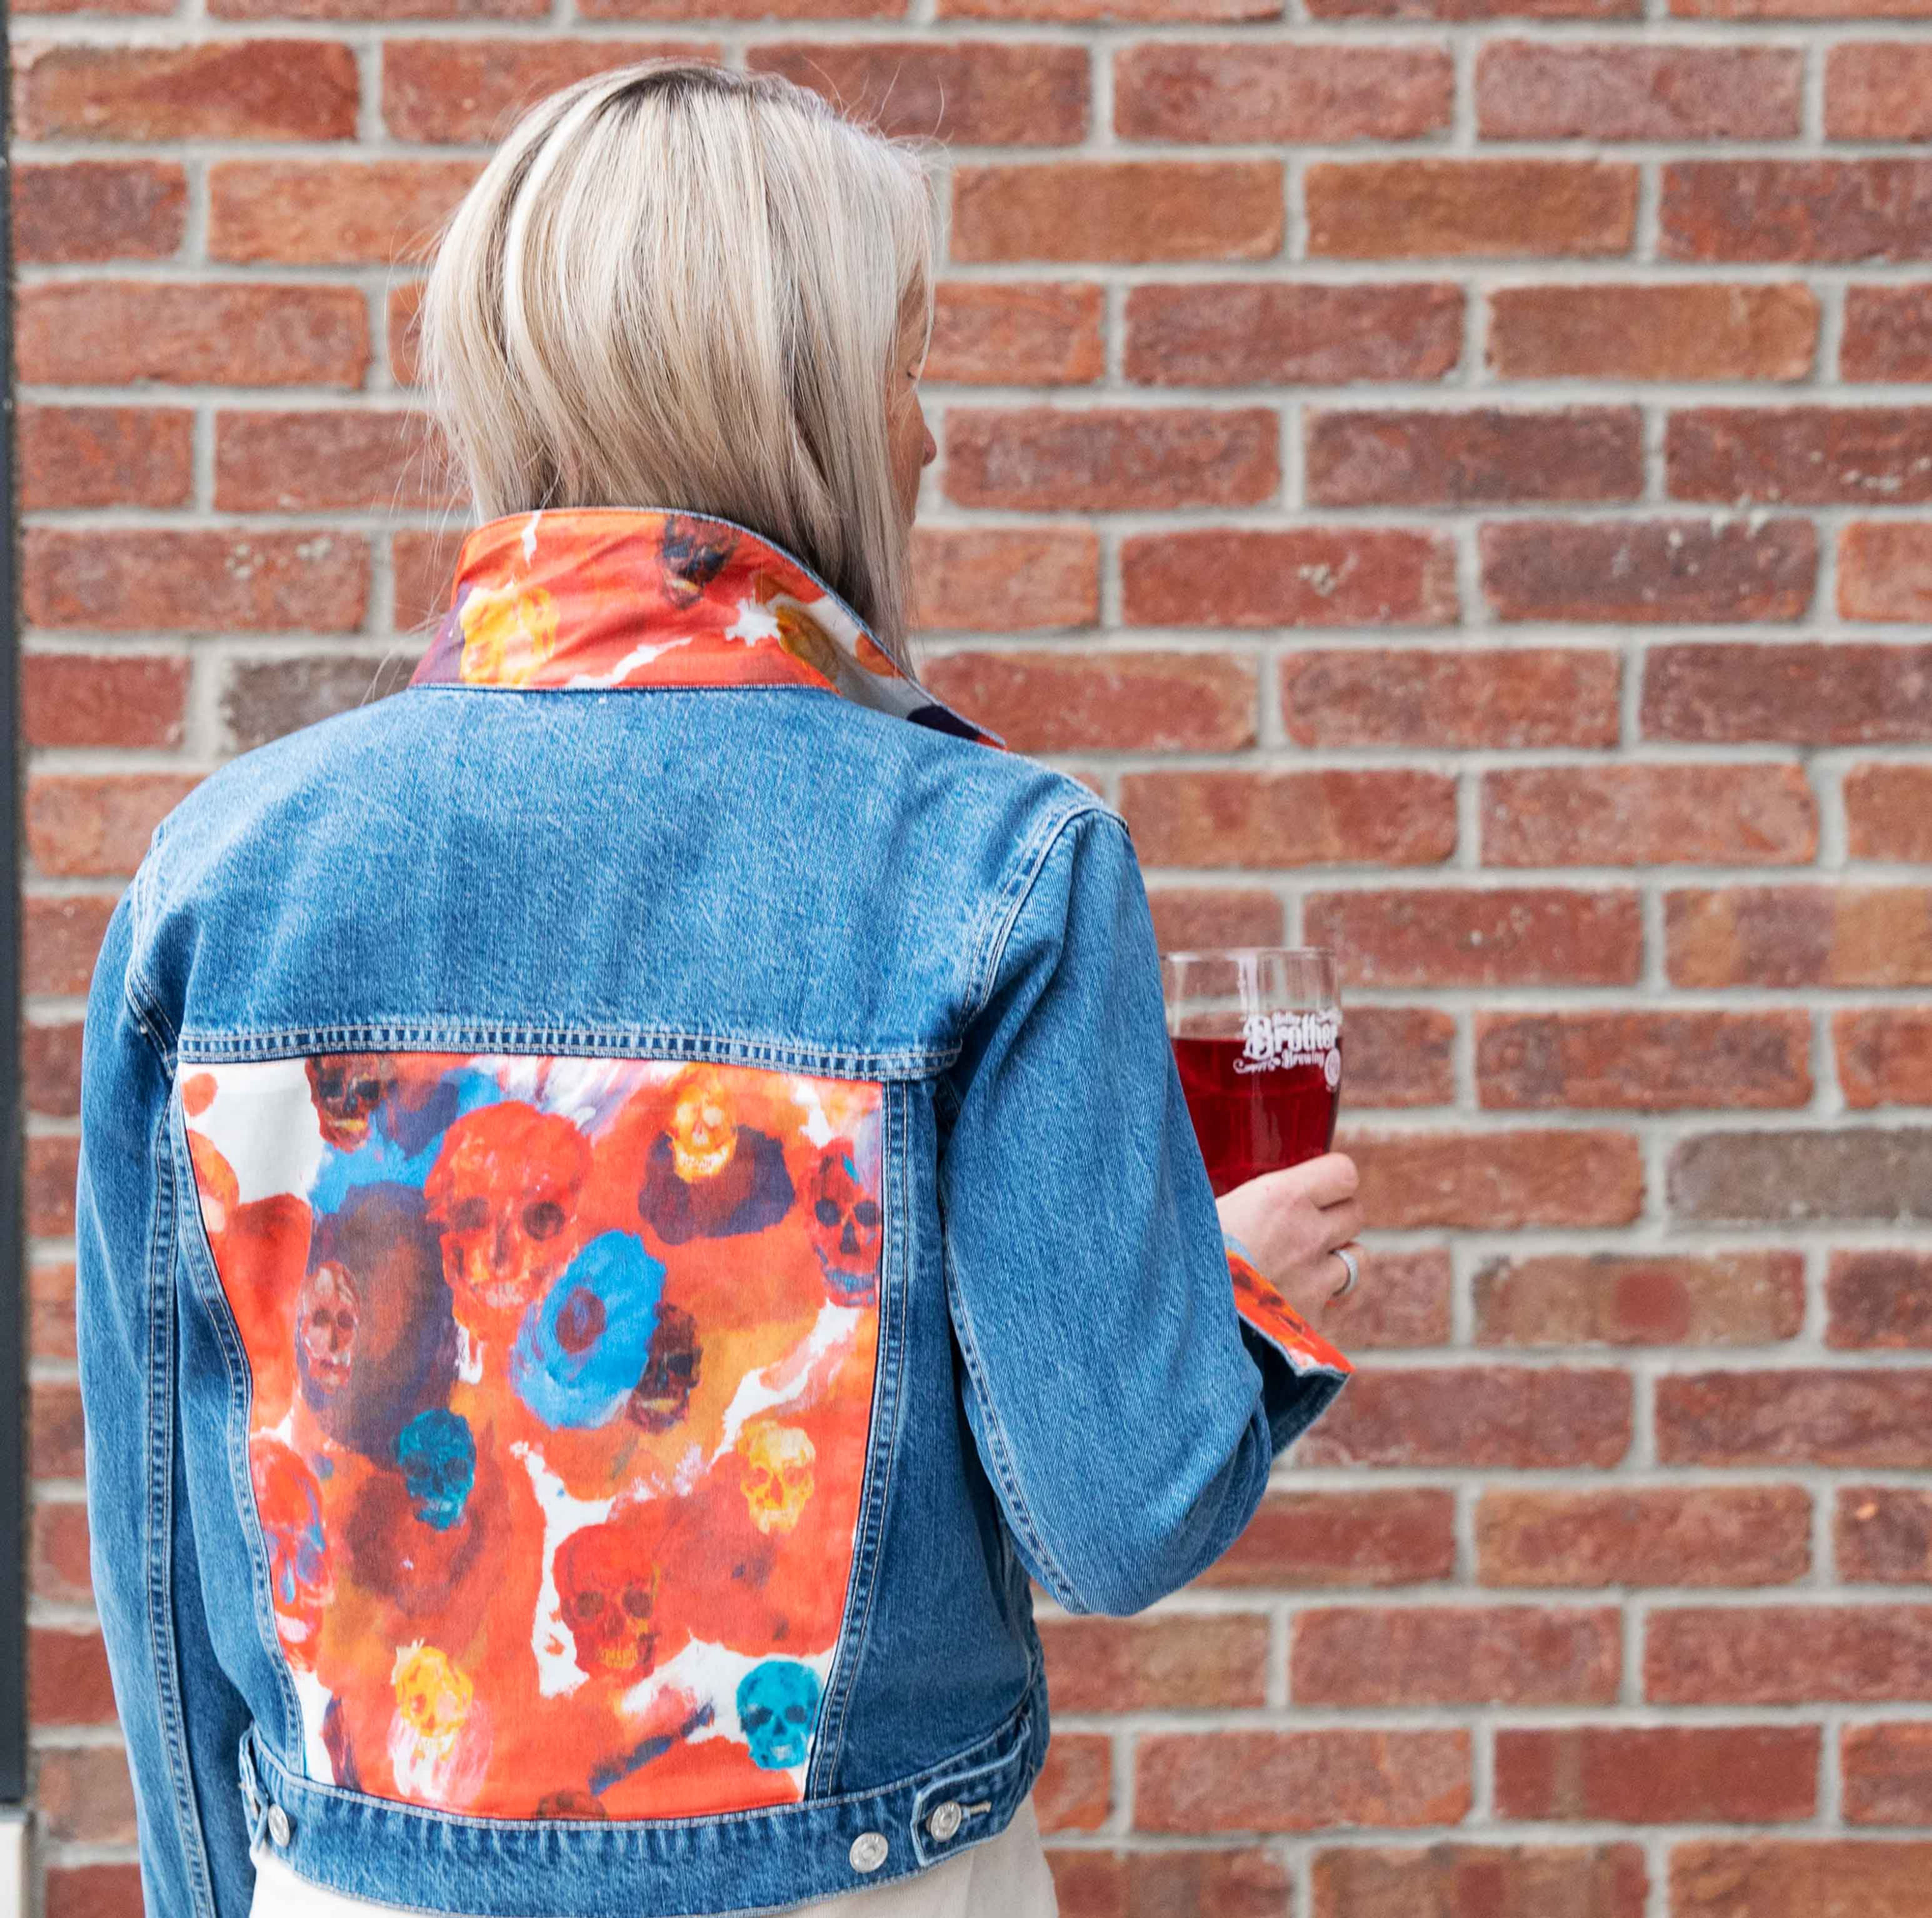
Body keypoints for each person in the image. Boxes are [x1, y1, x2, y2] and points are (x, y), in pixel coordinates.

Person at [73, 59, 1365, 1918]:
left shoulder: (221, 871)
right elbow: (1117, 1513)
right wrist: (1245, 1308)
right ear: (808, 398)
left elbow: (168, 1550)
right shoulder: (996, 862)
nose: (929, 439)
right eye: (906, 366)